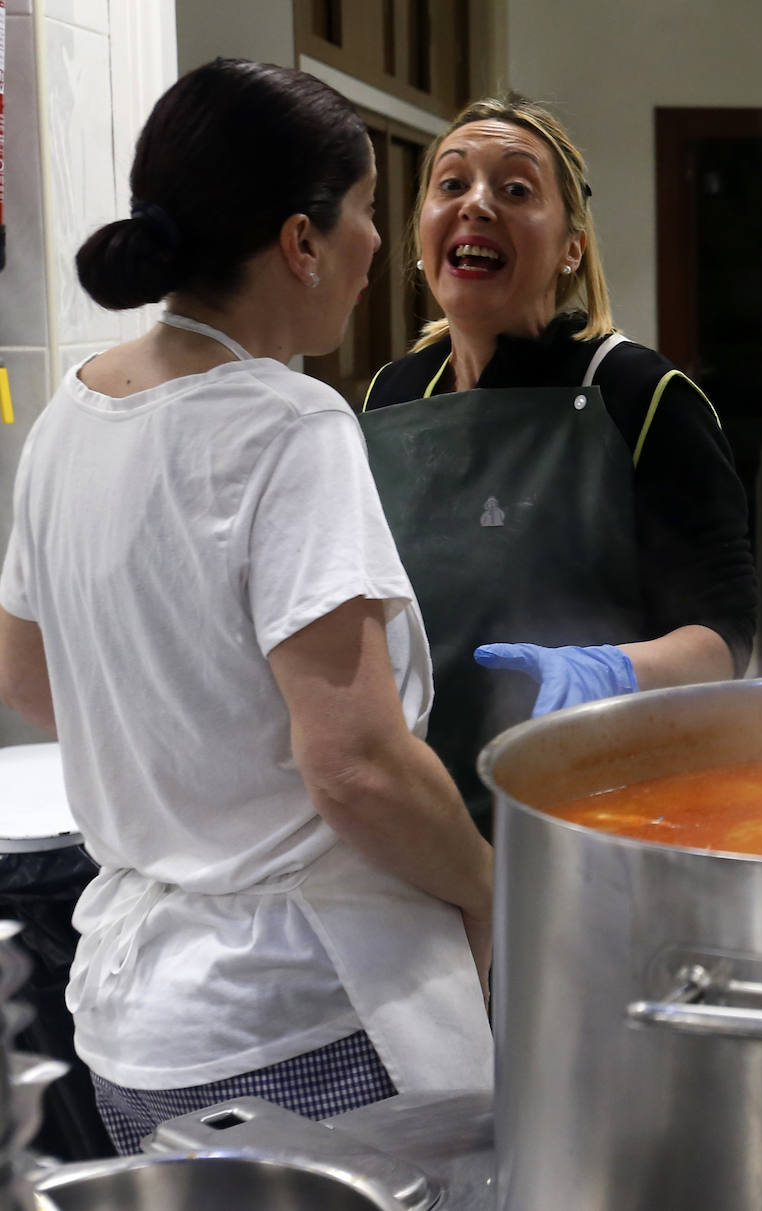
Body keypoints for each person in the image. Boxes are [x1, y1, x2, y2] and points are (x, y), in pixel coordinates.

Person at [0, 59, 494, 1154]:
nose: (380, 246)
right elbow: (356, 763)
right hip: (304, 1017)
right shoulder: (289, 426)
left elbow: (34, 680)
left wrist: (186, 758)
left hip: (133, 1026)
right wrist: (491, 897)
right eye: (367, 210)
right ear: (301, 241)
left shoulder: (67, 421)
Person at [361, 93, 757, 828]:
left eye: (515, 189)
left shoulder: (641, 396)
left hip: (589, 809)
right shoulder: (391, 395)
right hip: (416, 818)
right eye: (452, 184)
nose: (477, 205)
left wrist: (610, 672)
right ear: (422, 231)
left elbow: (723, 642)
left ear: (572, 246)